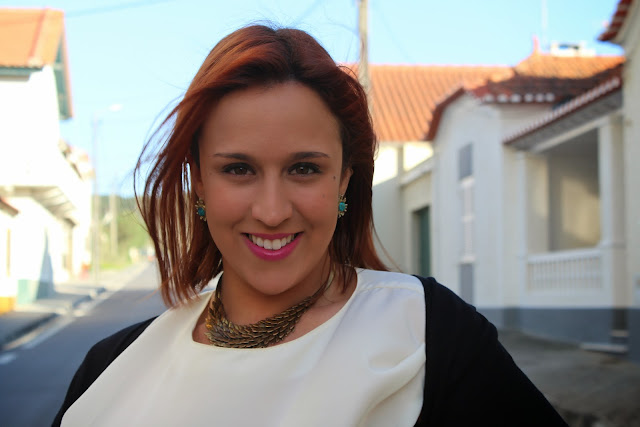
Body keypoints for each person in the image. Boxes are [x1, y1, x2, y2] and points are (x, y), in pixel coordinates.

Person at [54, 25, 567, 426]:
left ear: (344, 179)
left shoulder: (429, 336)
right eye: (239, 169)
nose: (272, 211)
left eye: (303, 169)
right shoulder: (110, 369)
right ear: (200, 182)